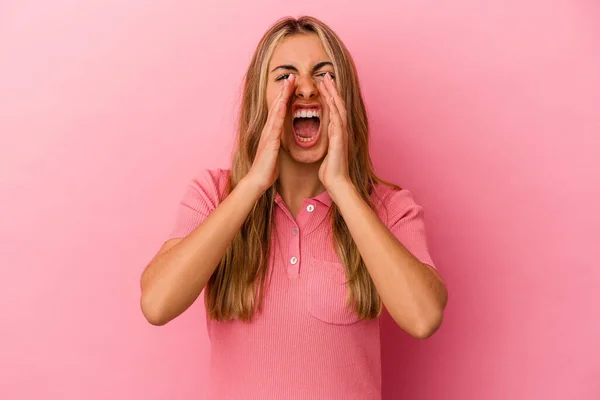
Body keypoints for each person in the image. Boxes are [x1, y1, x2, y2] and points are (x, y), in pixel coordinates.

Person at [140, 15, 448, 400]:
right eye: (285, 76)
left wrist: (341, 186)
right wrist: (252, 184)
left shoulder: (388, 208)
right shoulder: (214, 194)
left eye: (325, 75)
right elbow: (156, 303)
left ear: (345, 98)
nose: (306, 89)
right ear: (260, 100)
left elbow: (422, 317)